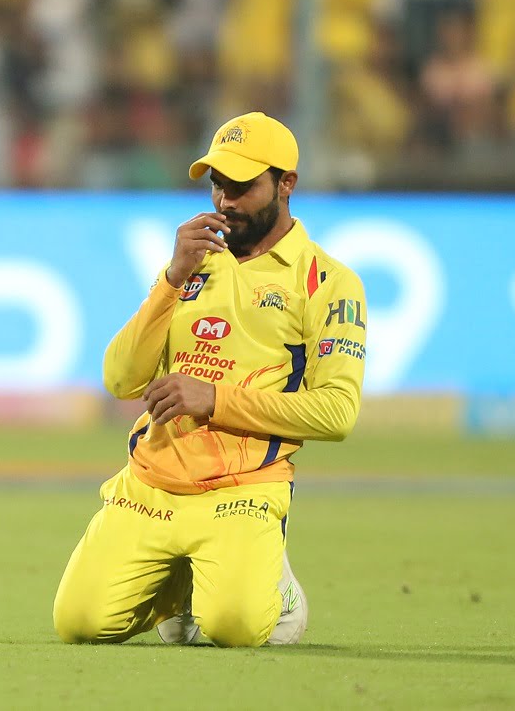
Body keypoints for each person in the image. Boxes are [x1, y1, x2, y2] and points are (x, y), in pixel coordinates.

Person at [52, 111, 367, 647]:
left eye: (242, 187)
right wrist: (172, 277)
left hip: (244, 489)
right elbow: (120, 379)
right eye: (218, 185)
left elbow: (337, 412)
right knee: (79, 624)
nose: (225, 201)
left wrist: (214, 398)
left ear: (286, 184)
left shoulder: (327, 281)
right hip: (149, 485)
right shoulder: (192, 264)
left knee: (236, 628)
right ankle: (185, 583)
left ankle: (278, 590)